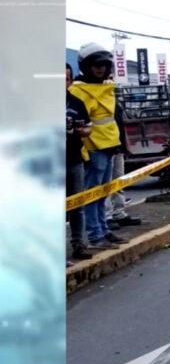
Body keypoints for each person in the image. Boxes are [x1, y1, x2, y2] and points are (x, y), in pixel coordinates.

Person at [69, 43, 128, 249]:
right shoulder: (78, 91)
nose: (101, 69)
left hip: (110, 144)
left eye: (104, 65)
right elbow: (82, 123)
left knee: (103, 192)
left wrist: (119, 144)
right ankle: (95, 235)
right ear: (86, 66)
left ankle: (103, 229)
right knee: (93, 193)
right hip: (93, 148)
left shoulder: (106, 87)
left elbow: (111, 119)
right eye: (96, 65)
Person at [65, 64, 93, 262]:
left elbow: (88, 128)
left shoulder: (76, 103)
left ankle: (78, 244)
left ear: (71, 81)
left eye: (66, 78)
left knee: (77, 205)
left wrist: (80, 130)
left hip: (74, 159)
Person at [105, 95, 143, 230]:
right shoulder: (97, 97)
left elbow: (121, 124)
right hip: (105, 148)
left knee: (119, 181)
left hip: (118, 146)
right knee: (106, 184)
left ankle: (119, 213)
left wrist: (126, 144)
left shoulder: (114, 99)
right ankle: (106, 216)